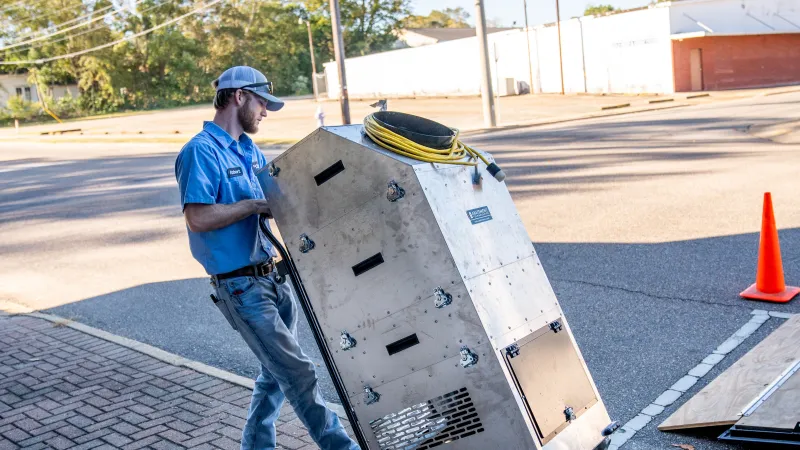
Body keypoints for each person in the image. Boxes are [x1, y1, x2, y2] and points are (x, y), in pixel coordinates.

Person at [174, 66, 359, 450]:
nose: (265, 111)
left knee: (274, 374)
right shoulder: (200, 151)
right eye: (261, 102)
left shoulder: (248, 149)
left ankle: (256, 445)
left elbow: (276, 200)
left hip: (271, 279)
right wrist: (253, 205)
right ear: (238, 96)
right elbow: (198, 217)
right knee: (297, 371)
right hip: (240, 287)